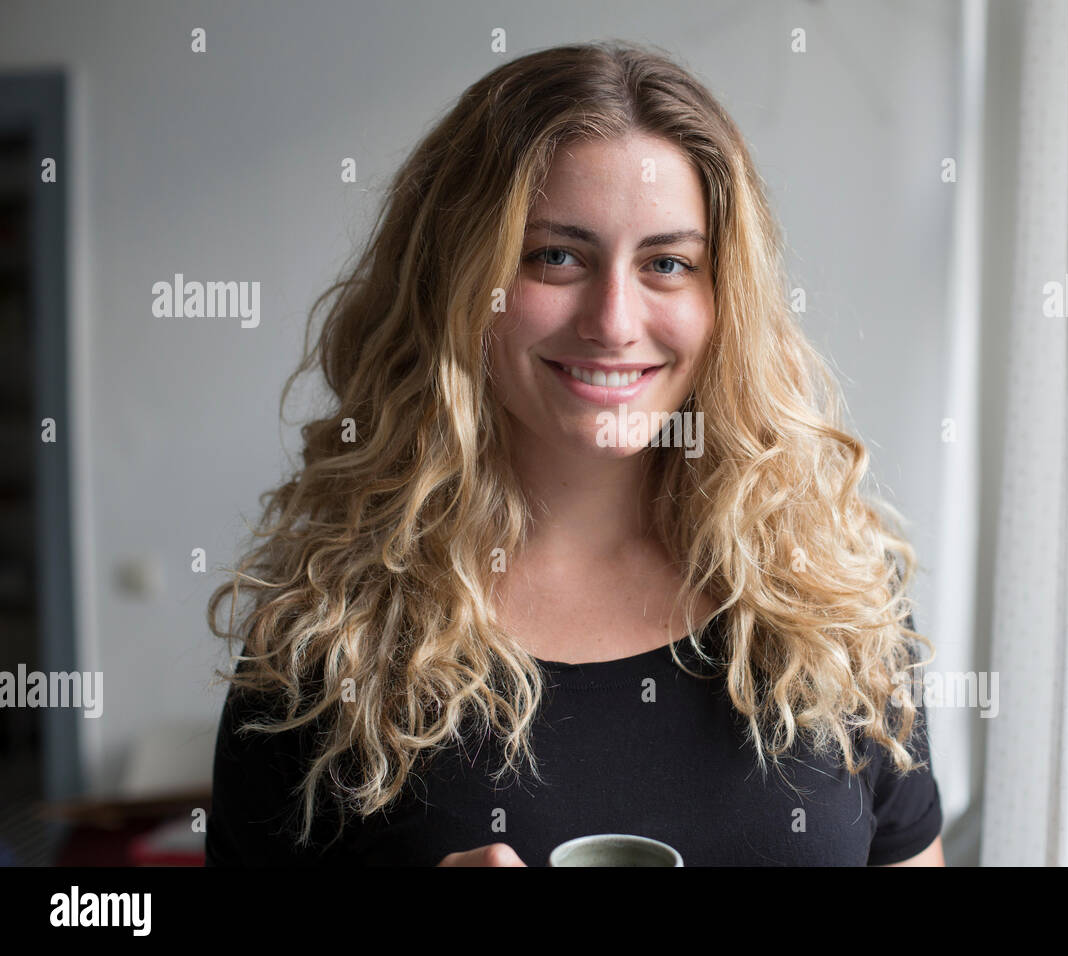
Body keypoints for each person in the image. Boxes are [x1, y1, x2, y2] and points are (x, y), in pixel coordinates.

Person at [205, 40, 944, 867]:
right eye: (556, 256)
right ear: (456, 279)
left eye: (668, 264)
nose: (615, 321)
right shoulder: (324, 637)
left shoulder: (834, 596)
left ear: (724, 295)